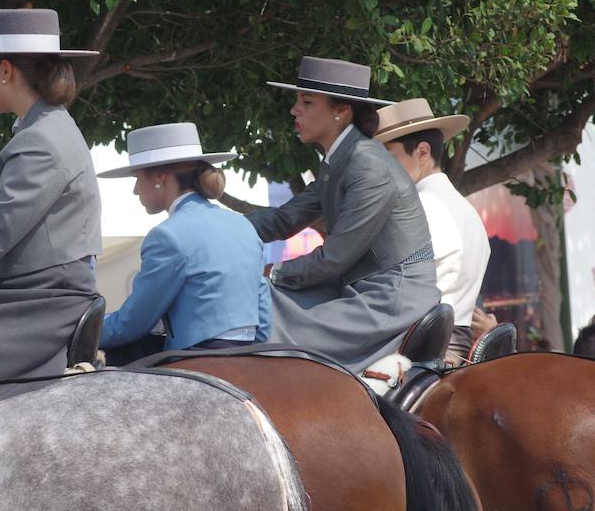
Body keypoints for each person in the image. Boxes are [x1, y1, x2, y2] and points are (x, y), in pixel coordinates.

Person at [0, 8, 102, 396]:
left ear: (6, 71)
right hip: (38, 289)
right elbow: (26, 221)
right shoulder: (46, 127)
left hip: (41, 298)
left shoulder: (39, 140)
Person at [246, 57, 440, 375]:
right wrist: (218, 228)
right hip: (363, 286)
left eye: (306, 102)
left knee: (266, 312)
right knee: (260, 299)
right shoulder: (342, 159)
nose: (295, 110)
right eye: (297, 101)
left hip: (391, 297)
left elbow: (335, 257)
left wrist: (273, 272)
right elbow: (283, 220)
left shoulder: (368, 165)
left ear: (341, 111)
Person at [97, 123, 270, 363]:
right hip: (249, 352)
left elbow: (133, 322)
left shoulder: (167, 235)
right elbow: (262, 305)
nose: (136, 190)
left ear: (160, 177)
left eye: (137, 178)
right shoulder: (242, 225)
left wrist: (84, 332)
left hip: (195, 357)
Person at [374, 98, 491, 363]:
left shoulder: (420, 207)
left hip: (420, 349)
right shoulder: (464, 208)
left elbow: (392, 287)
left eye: (390, 158)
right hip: (452, 344)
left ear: (423, 152)